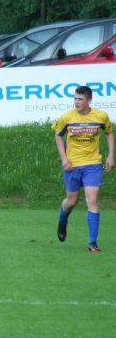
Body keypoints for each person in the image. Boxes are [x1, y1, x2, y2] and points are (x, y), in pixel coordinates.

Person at [52, 86, 114, 252]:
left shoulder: (101, 116)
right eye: (75, 99)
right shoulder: (67, 116)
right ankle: (62, 222)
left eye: (80, 99)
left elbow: (109, 133)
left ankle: (92, 243)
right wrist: (64, 158)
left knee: (92, 200)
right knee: (71, 201)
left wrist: (110, 156)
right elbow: (58, 135)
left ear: (89, 100)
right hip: (72, 165)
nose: (77, 102)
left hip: (93, 164)